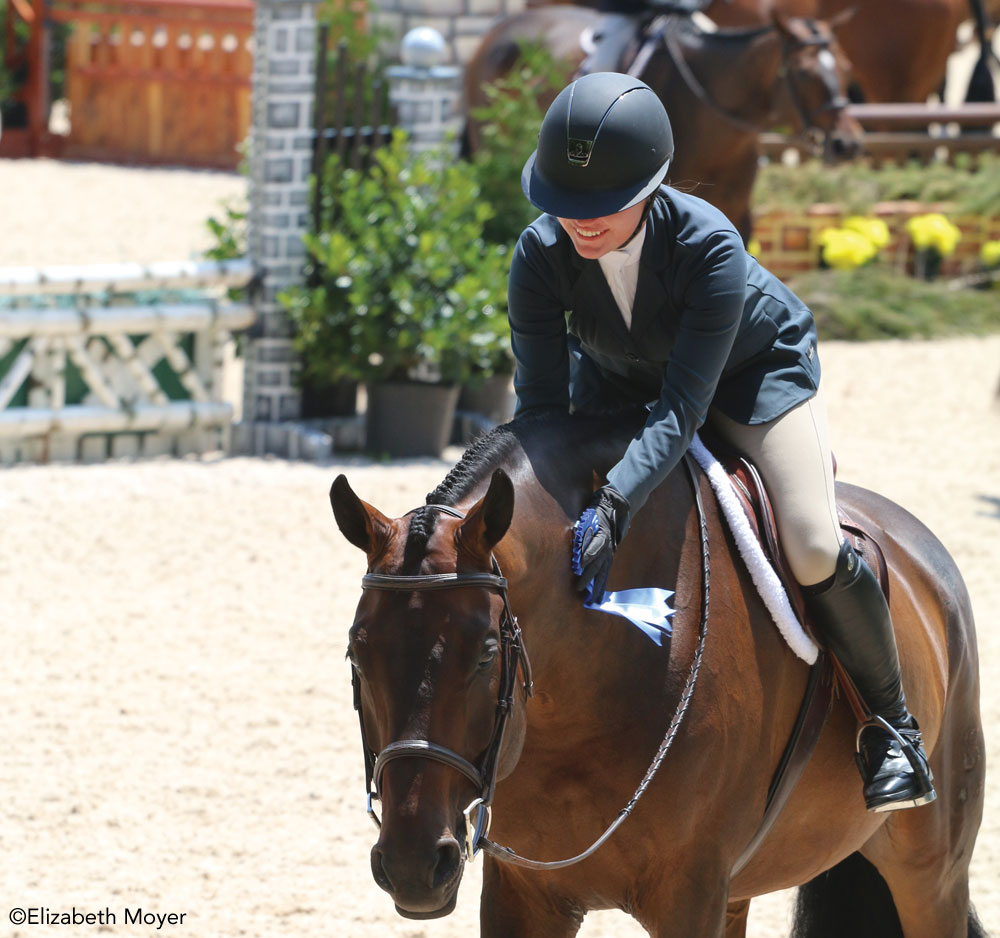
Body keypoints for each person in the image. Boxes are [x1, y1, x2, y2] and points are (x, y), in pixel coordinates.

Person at [508, 71, 935, 813]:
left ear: (649, 188)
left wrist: (613, 502)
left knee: (808, 542)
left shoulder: (708, 244)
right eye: (562, 204)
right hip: (617, 384)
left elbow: (682, 409)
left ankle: (893, 731)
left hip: (748, 379)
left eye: (601, 206)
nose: (579, 223)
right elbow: (541, 410)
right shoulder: (539, 255)